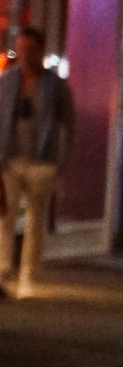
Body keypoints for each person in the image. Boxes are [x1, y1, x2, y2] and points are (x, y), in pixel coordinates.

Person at [0, 27, 72, 299]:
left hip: (42, 161)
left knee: (35, 220)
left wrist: (60, 162)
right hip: (10, 158)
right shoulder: (8, 81)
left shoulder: (55, 85)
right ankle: (3, 271)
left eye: (30, 49)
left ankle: (27, 277)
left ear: (40, 51)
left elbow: (68, 123)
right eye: (21, 49)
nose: (25, 55)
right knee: (5, 217)